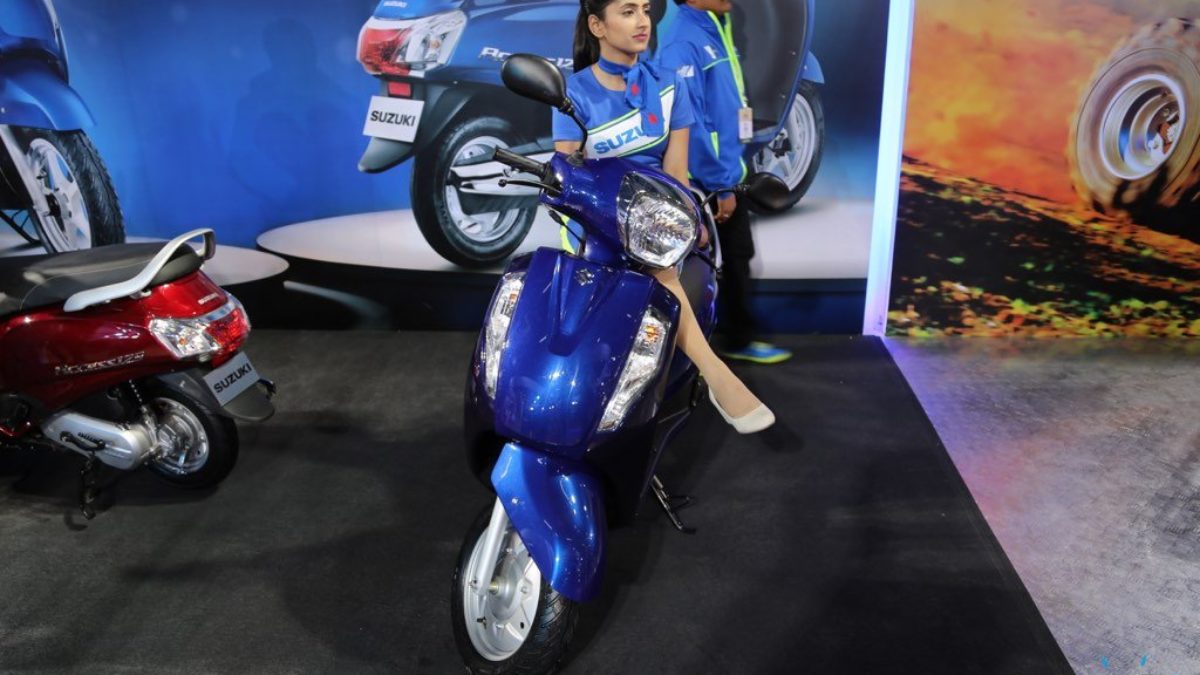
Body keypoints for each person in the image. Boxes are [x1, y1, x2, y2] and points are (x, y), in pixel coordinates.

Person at [553, 0, 773, 433]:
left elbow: (675, 174)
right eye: (627, 11)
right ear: (597, 25)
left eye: (645, 10)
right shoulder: (573, 92)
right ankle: (718, 376)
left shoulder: (670, 85)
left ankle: (701, 379)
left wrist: (686, 220)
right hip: (594, 229)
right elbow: (567, 178)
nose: (642, 21)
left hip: (653, 226)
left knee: (662, 262)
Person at [658, 0, 792, 365]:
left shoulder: (711, 27)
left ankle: (733, 339)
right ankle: (722, 345)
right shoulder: (683, 41)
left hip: (727, 174)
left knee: (737, 258)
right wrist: (721, 185)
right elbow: (689, 126)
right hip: (710, 183)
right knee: (721, 262)